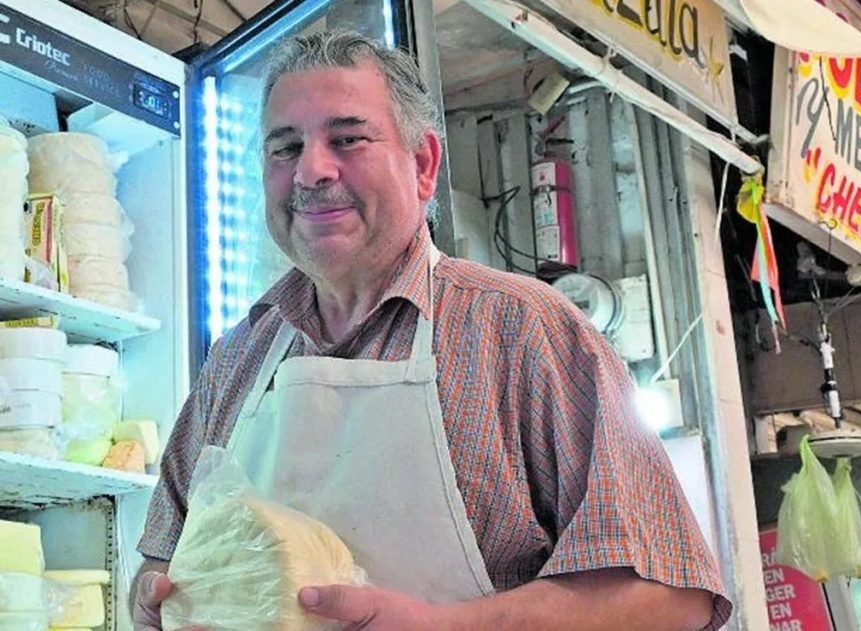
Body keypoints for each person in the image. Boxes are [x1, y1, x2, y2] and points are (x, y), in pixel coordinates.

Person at [132, 29, 730, 631]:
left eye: (347, 139)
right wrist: (161, 602)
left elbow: (671, 597)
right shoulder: (236, 360)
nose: (311, 170)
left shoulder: (526, 332)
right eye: (285, 148)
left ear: (422, 165)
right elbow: (162, 562)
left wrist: (450, 627)